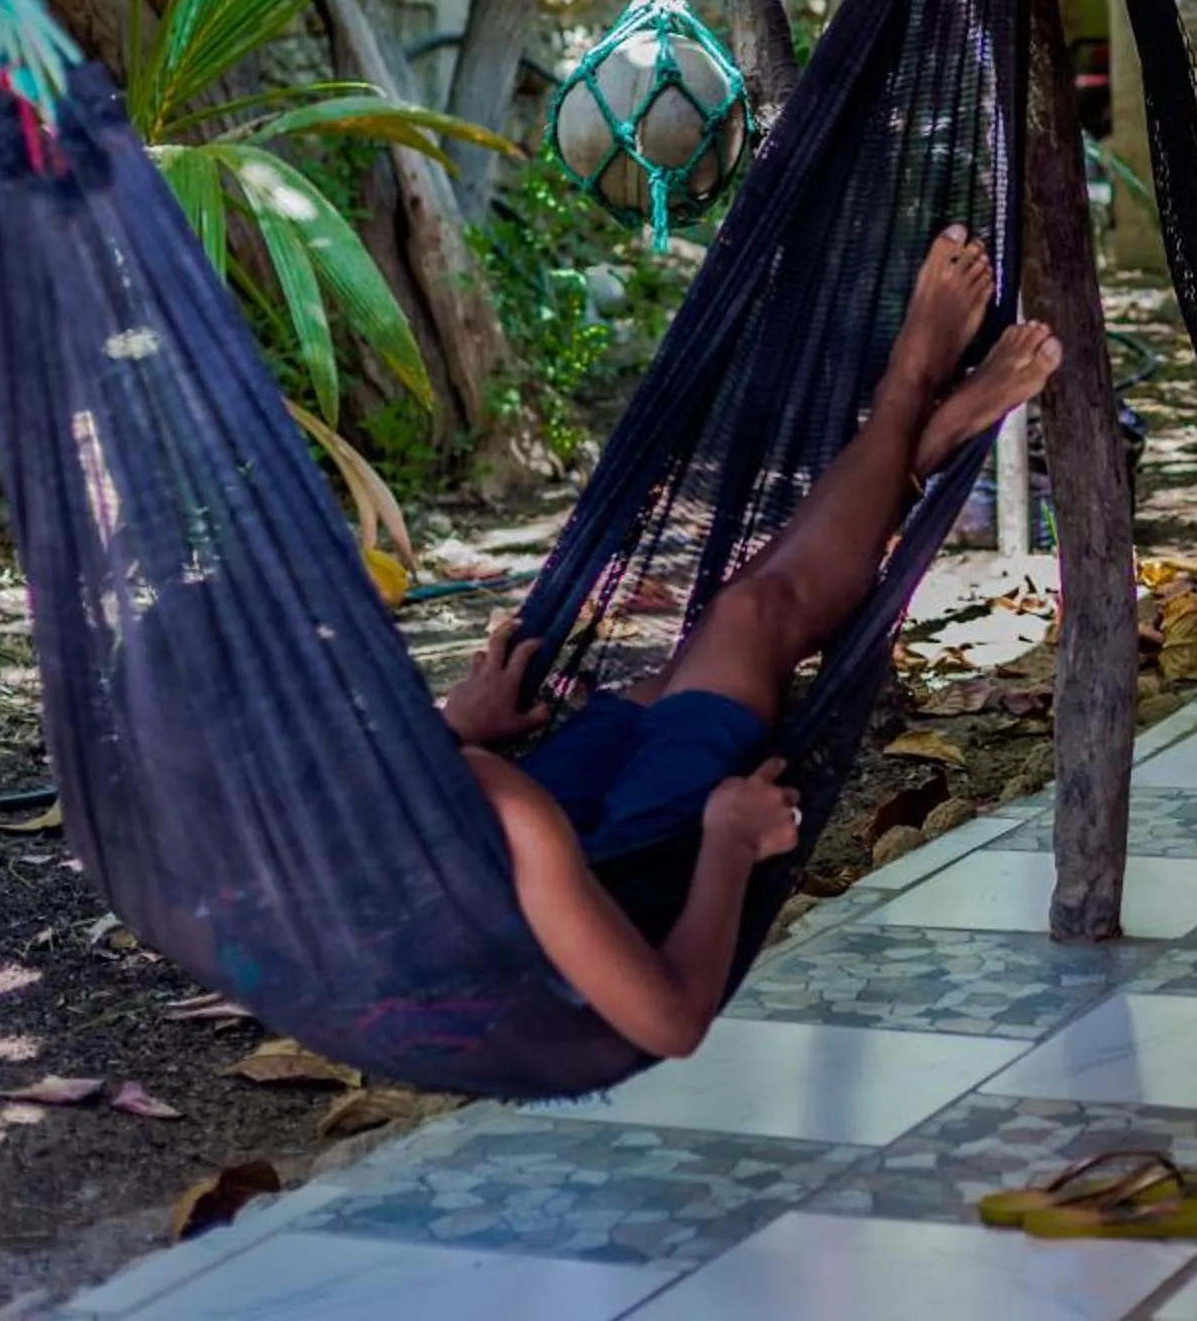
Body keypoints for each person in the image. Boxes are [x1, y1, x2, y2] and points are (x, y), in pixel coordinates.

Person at [435, 228, 1058, 1059]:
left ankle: (918, 442)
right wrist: (729, 841)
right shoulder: (509, 844)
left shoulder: (321, 836)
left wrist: (456, 732)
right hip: (616, 877)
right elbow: (672, 1021)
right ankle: (908, 395)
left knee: (682, 672)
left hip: (491, 835)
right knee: (748, 620)